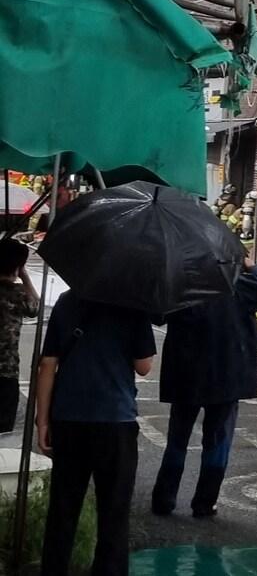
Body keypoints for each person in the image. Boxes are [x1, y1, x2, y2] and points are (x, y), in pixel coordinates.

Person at [34, 290, 156, 576]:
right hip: (115, 421)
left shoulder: (67, 301)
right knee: (114, 514)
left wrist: (42, 422)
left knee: (63, 509)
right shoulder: (134, 302)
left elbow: (48, 364)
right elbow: (144, 367)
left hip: (68, 418)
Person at [151, 252, 257, 518]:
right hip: (227, 376)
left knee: (177, 439)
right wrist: (252, 267)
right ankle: (204, 503)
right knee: (217, 441)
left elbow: (157, 314)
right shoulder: (239, 283)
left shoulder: (182, 284)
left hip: (186, 375)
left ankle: (164, 500)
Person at [0, 235, 38, 433]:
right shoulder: (19, 293)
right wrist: (24, 276)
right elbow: (34, 308)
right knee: (4, 431)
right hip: (6, 370)